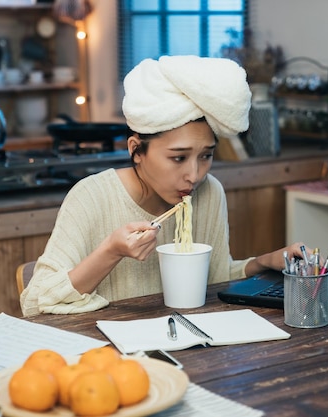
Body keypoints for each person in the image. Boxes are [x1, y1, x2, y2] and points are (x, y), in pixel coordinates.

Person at [20, 55, 311, 317]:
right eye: (178, 157)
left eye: (206, 156)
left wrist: (264, 262)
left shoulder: (209, 192)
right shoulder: (92, 196)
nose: (194, 175)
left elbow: (215, 276)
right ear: (136, 149)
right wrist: (111, 250)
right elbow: (35, 300)